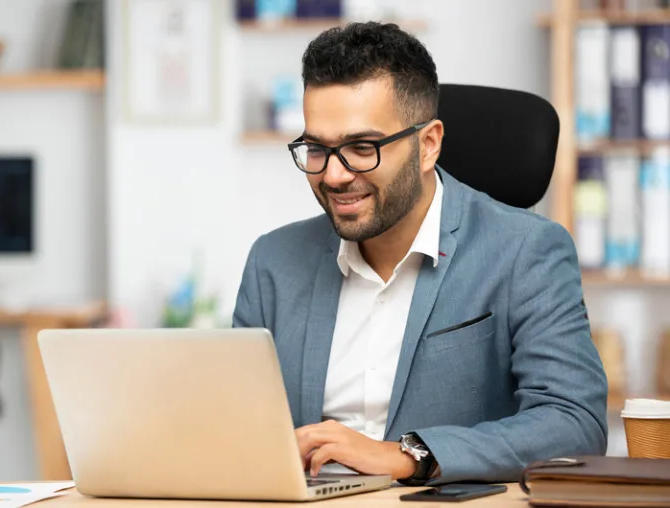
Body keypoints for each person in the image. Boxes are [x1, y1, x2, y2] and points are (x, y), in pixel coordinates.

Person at [232, 21, 608, 486]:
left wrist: (407, 456)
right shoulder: (273, 261)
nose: (333, 175)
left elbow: (574, 424)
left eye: (361, 147)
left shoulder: (526, 252)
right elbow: (236, 428)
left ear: (428, 144)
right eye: (316, 149)